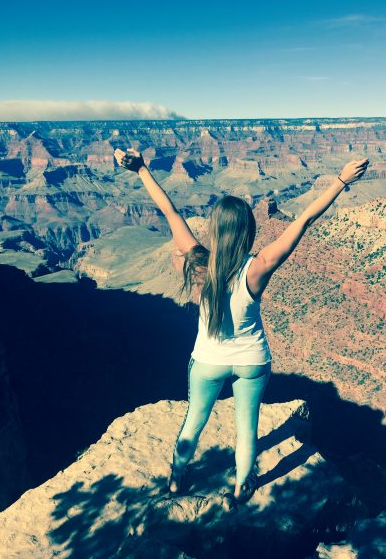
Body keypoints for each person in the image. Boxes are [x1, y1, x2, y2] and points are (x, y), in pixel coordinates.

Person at [114, 146, 369, 503]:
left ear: (213, 231)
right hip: (252, 361)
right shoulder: (259, 266)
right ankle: (242, 485)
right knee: (246, 430)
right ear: (248, 230)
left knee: (194, 421)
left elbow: (169, 211)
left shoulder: (196, 263)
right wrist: (341, 180)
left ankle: (176, 479)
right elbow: (303, 221)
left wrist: (140, 170)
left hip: (208, 362)